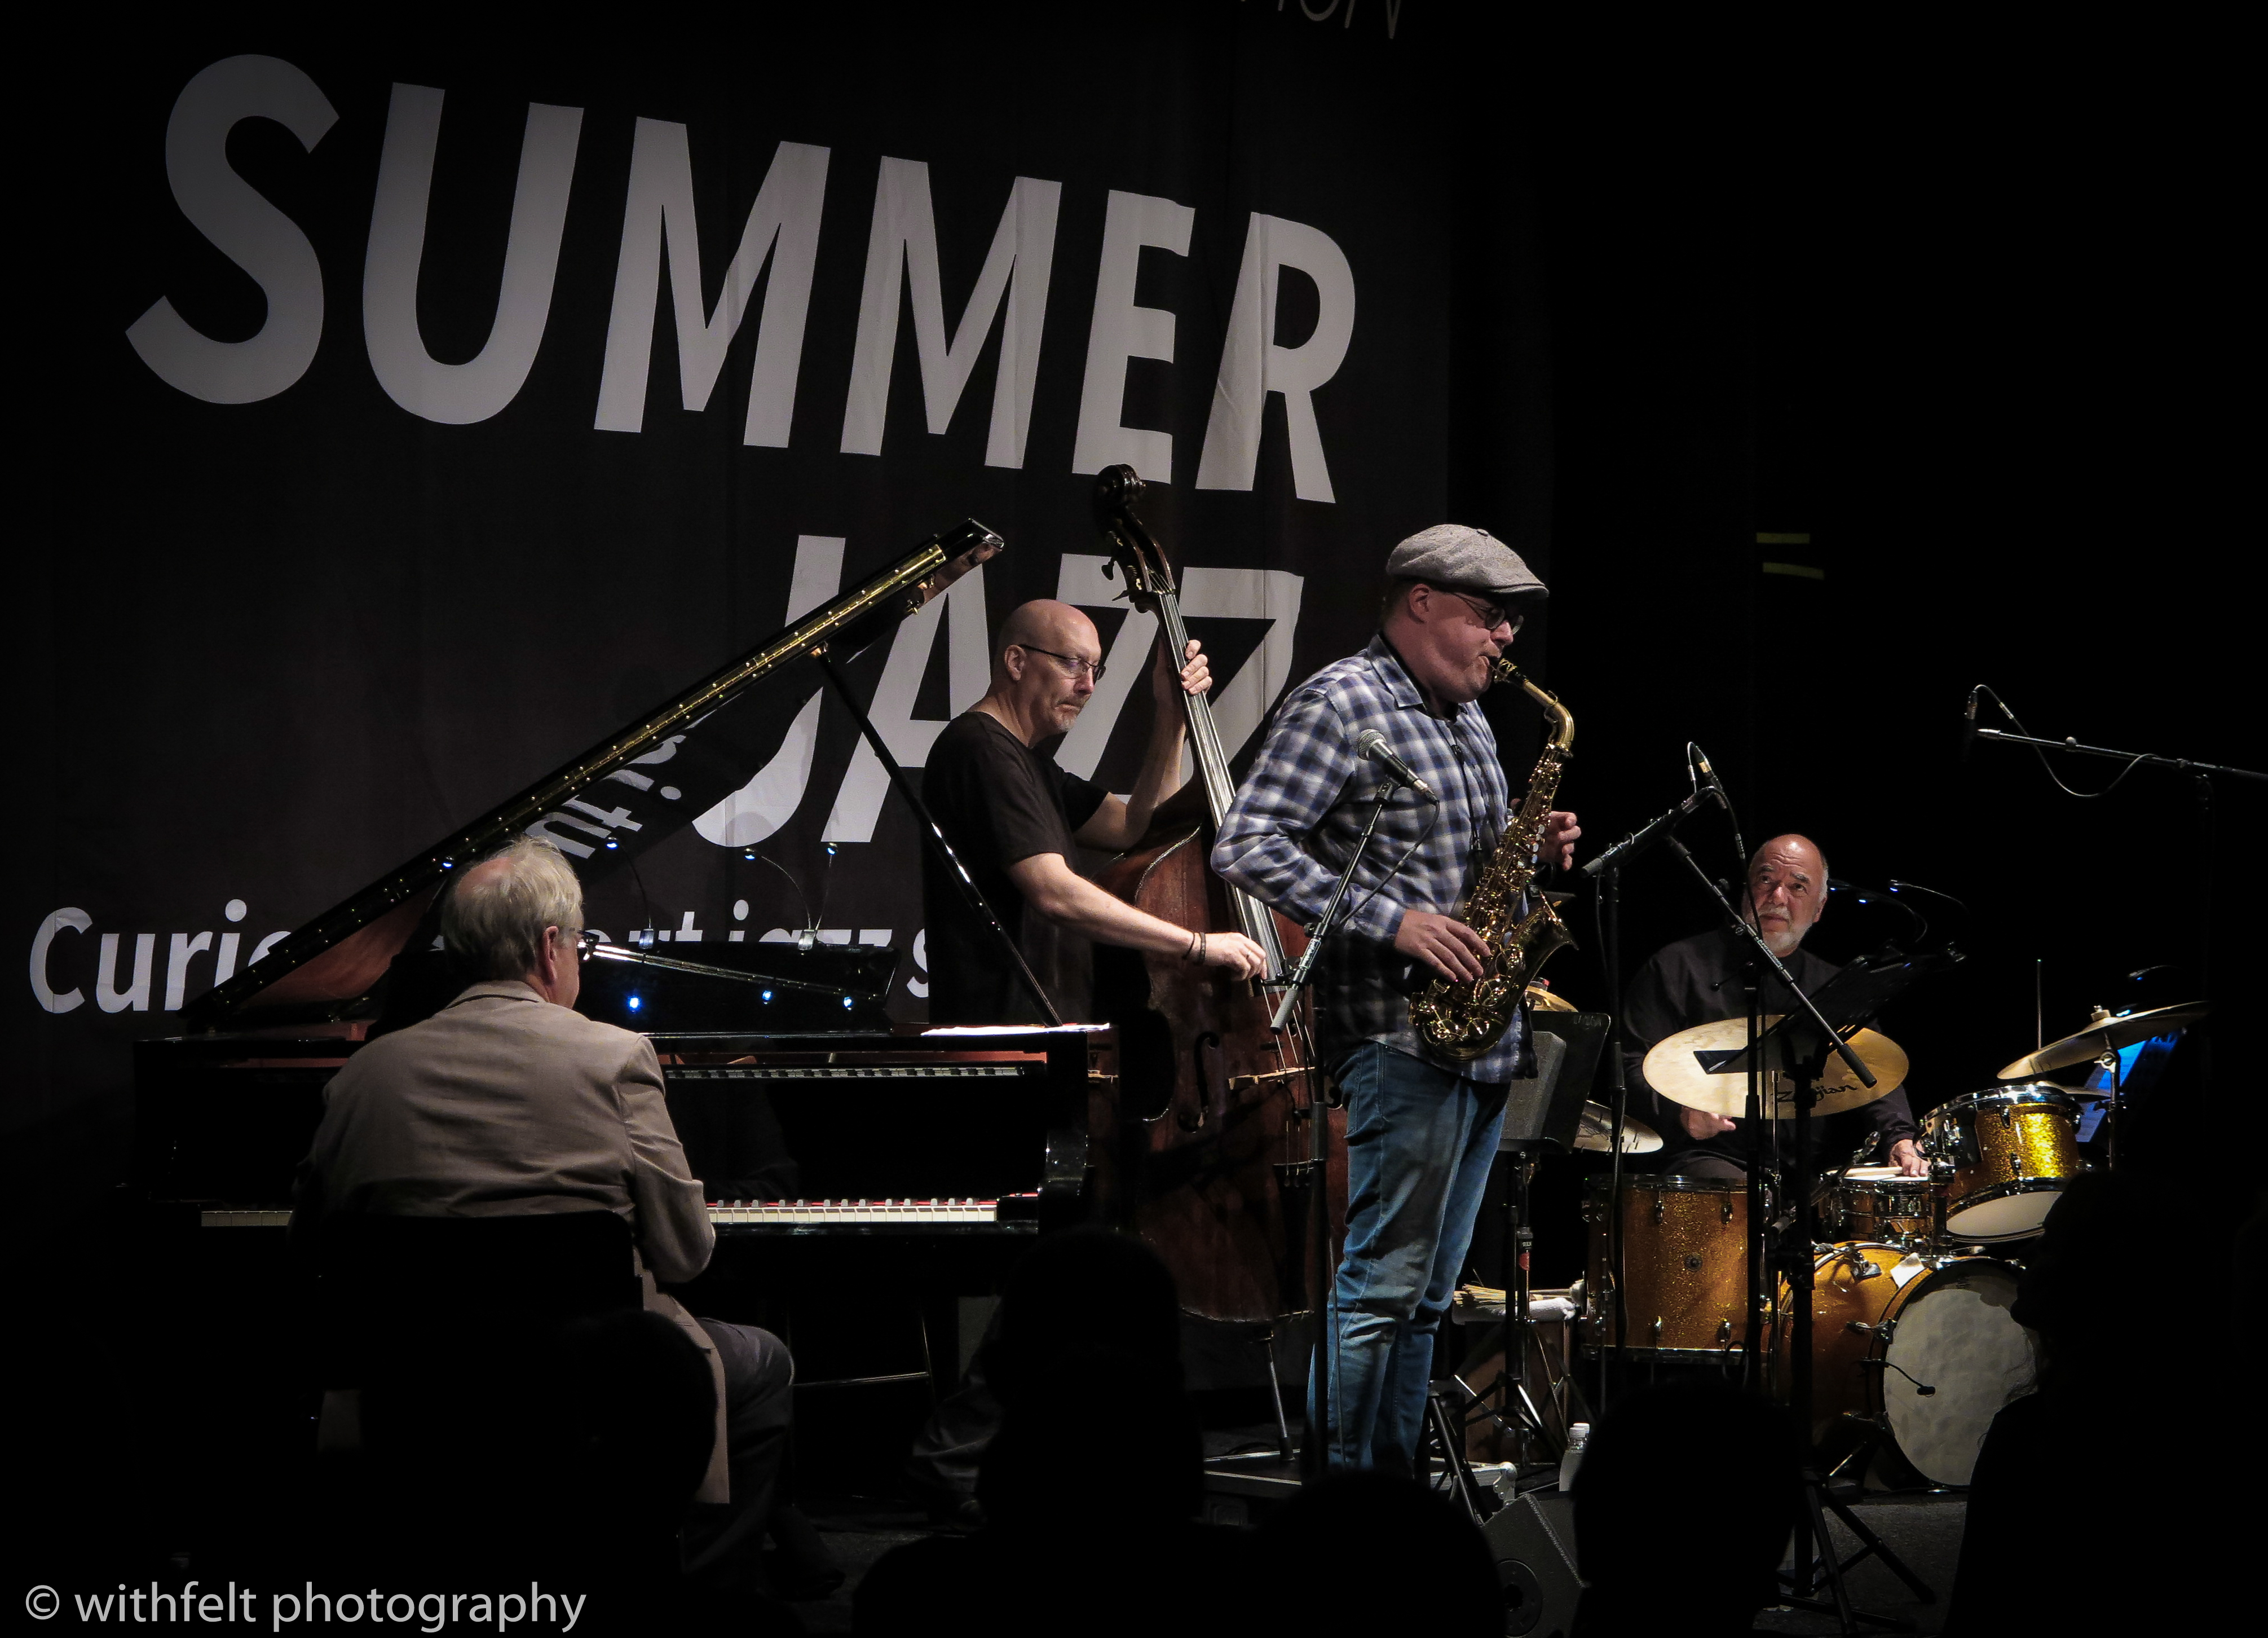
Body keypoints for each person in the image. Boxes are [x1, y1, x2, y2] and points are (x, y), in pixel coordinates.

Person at [293, 838, 792, 1596]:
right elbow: (687, 1256)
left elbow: (313, 1251)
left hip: (414, 1385)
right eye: (581, 945)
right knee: (763, 1363)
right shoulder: (614, 1058)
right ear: (550, 945)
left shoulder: (366, 1073)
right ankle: (694, 1604)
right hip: (584, 1380)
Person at [1212, 523, 1579, 1473]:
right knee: (1382, 1285)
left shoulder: (1465, 716)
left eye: (1510, 620)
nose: (1505, 637)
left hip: (1480, 1038)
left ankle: (1394, 1486)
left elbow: (1464, 858)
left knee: (1427, 1297)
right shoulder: (1343, 701)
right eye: (1488, 616)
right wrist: (1395, 919)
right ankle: (1345, 1495)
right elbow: (1246, 844)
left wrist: (1528, 851)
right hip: (1396, 1033)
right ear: (1421, 601)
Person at [920, 598, 1267, 1025]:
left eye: (1094, 669)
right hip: (1002, 1035)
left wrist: (1172, 715)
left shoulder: (1028, 761)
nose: (1088, 686)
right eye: (1073, 664)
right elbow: (1055, 893)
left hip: (1043, 1029)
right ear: (1016, 661)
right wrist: (1197, 944)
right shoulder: (981, 750)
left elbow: (1136, 829)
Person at [1624, 833, 1922, 1179]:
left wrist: (1900, 1138)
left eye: (1798, 887)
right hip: (1701, 1160)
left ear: (1819, 908)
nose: (1777, 897)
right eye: (1766, 880)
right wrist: (1681, 1113)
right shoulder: (1677, 966)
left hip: (1806, 1172)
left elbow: (1871, 1066)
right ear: (1745, 892)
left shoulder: (1832, 984)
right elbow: (1631, 1064)